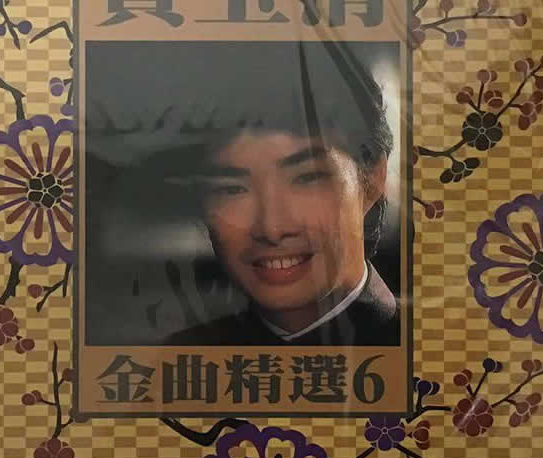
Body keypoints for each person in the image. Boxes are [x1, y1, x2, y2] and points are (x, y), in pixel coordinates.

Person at [165, 49, 399, 346]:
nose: (272, 228)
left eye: (307, 178)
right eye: (232, 189)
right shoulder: (173, 360)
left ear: (374, 178)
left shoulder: (436, 355)